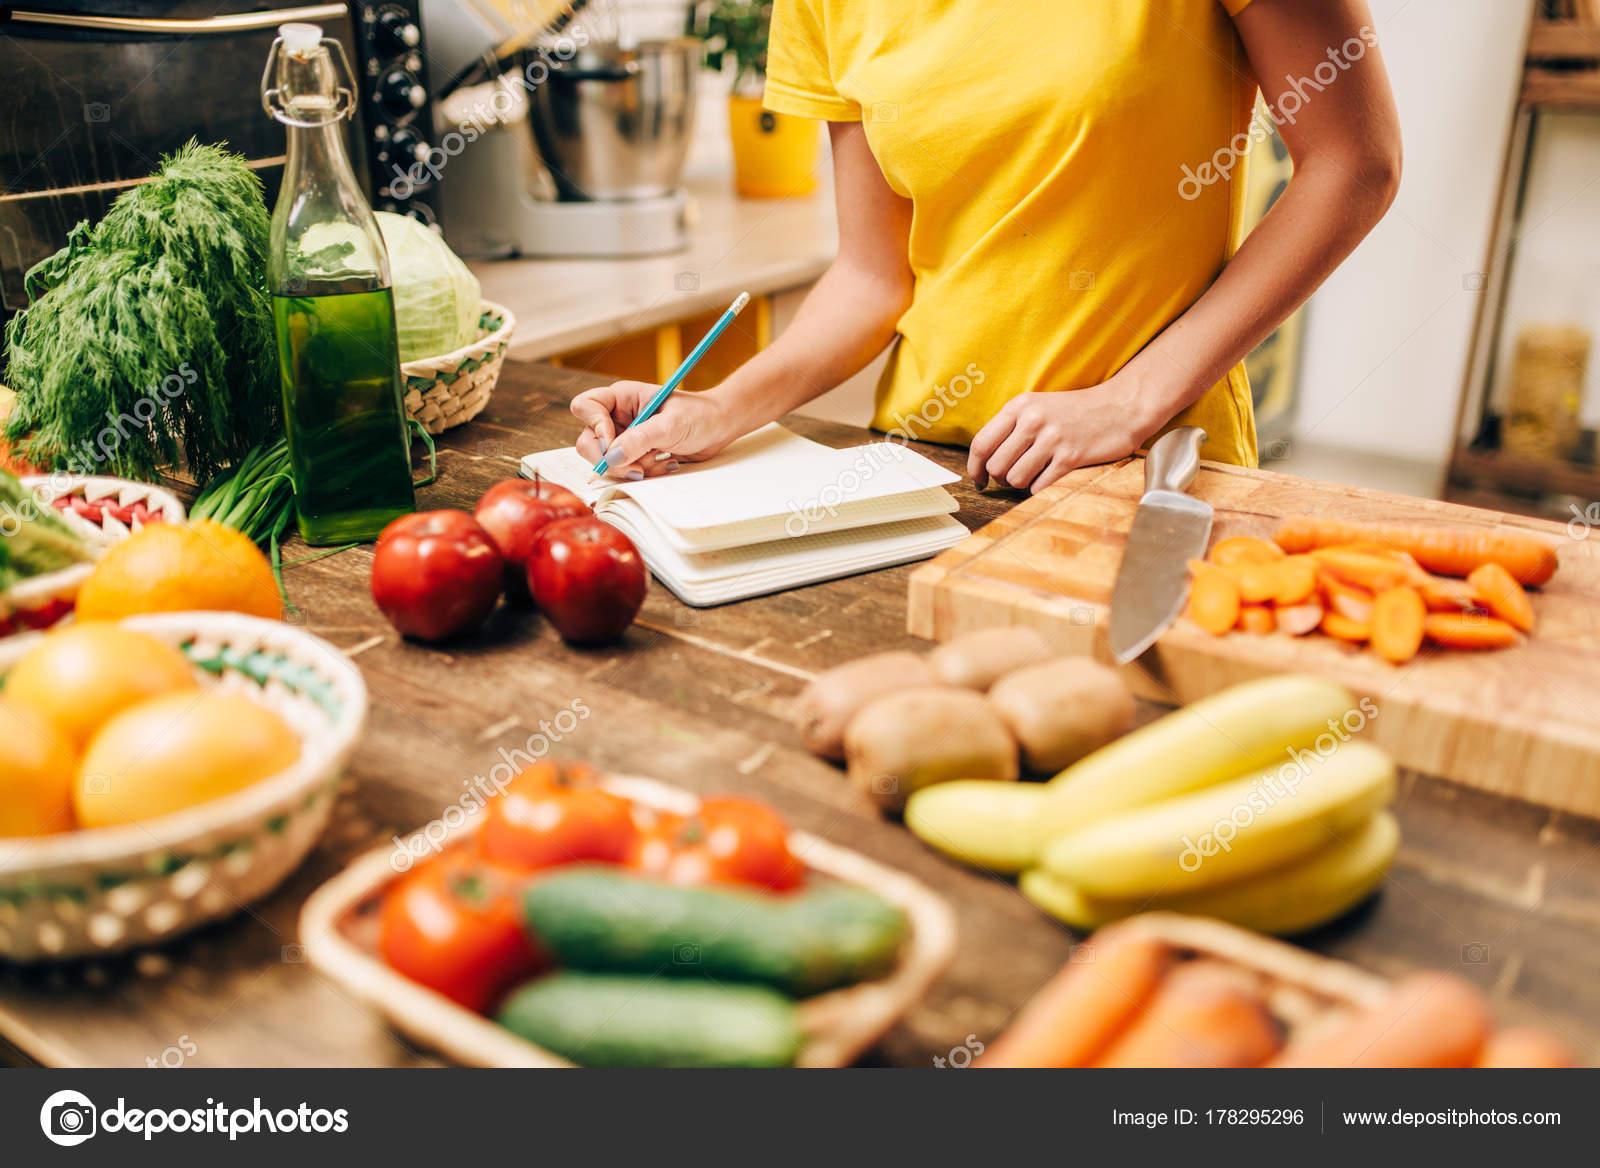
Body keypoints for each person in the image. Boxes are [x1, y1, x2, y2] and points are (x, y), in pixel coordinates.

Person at [573, 0, 1401, 494]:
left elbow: (1354, 162)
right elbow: (872, 275)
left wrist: (1129, 401)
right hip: (927, 473)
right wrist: (720, 408)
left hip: (1149, 468)